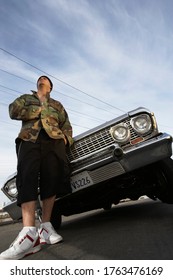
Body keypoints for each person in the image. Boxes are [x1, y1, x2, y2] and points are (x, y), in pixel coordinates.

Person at [0, 76, 73, 260]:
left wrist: (65, 139)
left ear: (51, 87)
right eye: (40, 79)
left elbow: (67, 125)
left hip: (54, 141)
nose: (42, 79)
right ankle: (28, 232)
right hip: (29, 140)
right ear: (37, 85)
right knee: (27, 178)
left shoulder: (57, 104)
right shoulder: (26, 98)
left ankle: (46, 228)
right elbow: (13, 110)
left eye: (46, 79)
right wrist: (38, 109)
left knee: (52, 180)